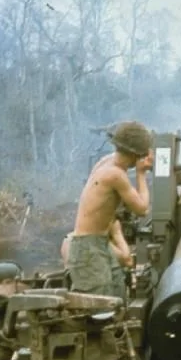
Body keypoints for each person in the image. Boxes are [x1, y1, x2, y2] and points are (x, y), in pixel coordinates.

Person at [66, 121, 153, 298]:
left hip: (99, 243)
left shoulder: (105, 162)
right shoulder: (115, 175)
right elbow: (142, 209)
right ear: (135, 155)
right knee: (100, 307)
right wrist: (141, 174)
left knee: (117, 294)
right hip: (88, 247)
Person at [62, 217, 133, 300]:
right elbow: (128, 261)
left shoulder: (70, 239)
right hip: (102, 298)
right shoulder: (94, 242)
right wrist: (117, 233)